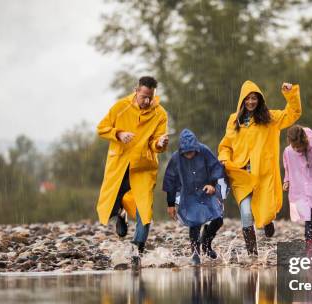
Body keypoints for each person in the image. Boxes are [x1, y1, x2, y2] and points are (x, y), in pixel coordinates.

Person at [218, 80, 301, 256]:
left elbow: (293, 113)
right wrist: (224, 159)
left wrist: (290, 94)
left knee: (266, 210)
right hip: (241, 175)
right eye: (247, 99)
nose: (250, 102)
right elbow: (226, 145)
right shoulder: (234, 120)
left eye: (254, 98)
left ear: (259, 99)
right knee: (246, 214)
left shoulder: (269, 118)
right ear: (242, 101)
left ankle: (267, 221)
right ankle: (252, 254)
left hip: (262, 174)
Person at [96, 76, 169, 268]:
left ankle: (137, 251)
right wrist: (119, 134)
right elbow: (102, 128)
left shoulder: (160, 113)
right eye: (144, 96)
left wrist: (160, 144)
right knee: (109, 205)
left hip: (143, 167)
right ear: (136, 90)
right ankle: (120, 212)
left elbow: (157, 142)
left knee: (145, 213)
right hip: (120, 164)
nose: (146, 101)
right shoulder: (121, 107)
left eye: (150, 97)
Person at [163, 129, 226, 265]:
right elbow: (170, 180)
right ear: (181, 151)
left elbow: (216, 167)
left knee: (218, 219)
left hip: (207, 190)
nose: (189, 155)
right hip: (189, 194)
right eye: (186, 153)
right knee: (194, 222)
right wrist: (170, 204)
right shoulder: (175, 158)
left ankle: (206, 243)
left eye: (191, 152)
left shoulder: (204, 150)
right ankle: (195, 254)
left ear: (196, 148)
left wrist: (212, 184)